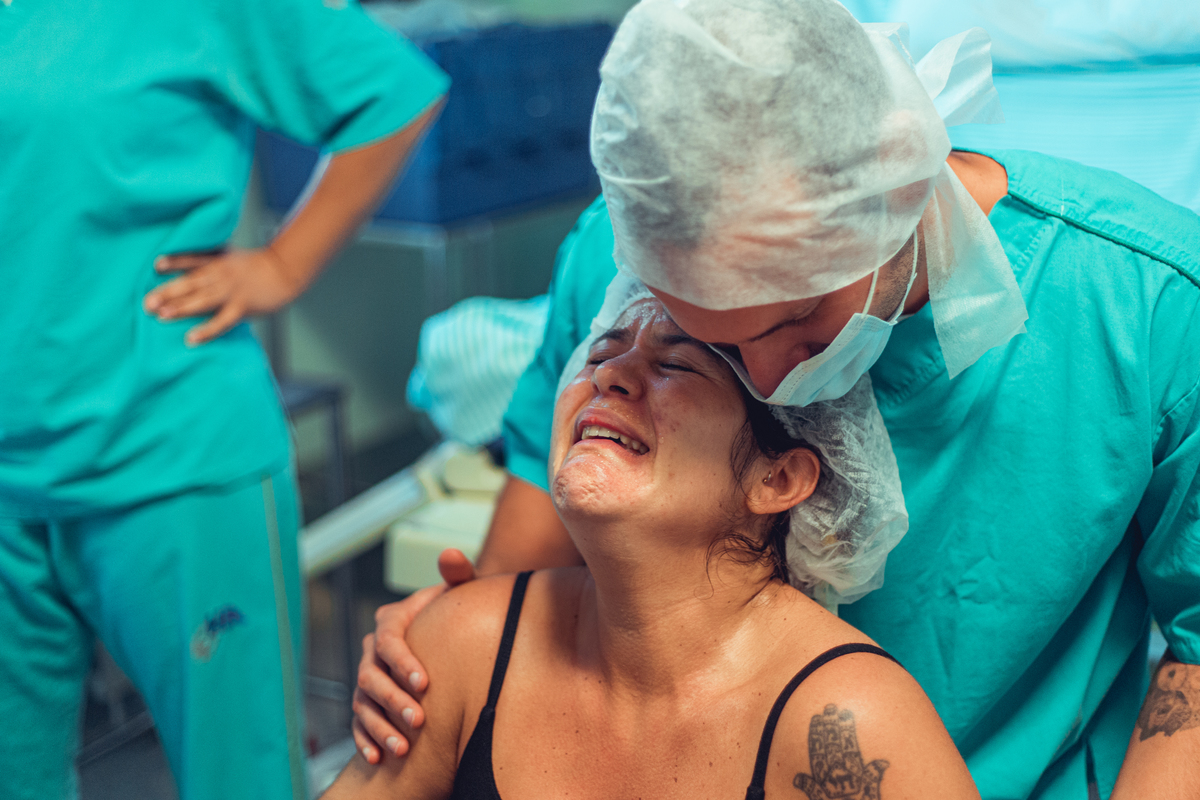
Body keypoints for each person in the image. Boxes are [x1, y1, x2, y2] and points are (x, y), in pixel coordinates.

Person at [352, 0, 1200, 797]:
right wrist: (438, 659)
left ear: (902, 189)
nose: (762, 380)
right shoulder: (609, 262)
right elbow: (530, 554)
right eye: (705, 341)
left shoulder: (1149, 307)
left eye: (800, 320)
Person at [0, 1, 448, 798]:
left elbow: (393, 93)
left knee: (236, 782)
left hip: (169, 453)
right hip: (10, 476)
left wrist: (281, 265)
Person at [325, 294, 980, 799]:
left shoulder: (844, 723)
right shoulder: (465, 644)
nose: (609, 378)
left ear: (776, 478)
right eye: (600, 354)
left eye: (674, 365)